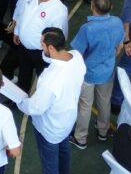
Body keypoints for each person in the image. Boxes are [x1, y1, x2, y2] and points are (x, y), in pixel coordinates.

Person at [17, 27, 86, 174]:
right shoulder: (76, 56)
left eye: (42, 44)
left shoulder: (51, 79)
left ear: (51, 48)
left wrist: (21, 102)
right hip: (67, 120)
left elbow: (36, 107)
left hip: (50, 127)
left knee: (49, 164)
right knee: (64, 151)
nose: (40, 46)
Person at [70, 0, 124, 149]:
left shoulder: (87, 28)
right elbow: (119, 45)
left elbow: (77, 52)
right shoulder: (117, 22)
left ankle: (80, 138)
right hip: (107, 71)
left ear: (93, 7)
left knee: (85, 105)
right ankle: (103, 131)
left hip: (87, 73)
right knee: (105, 101)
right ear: (111, 8)